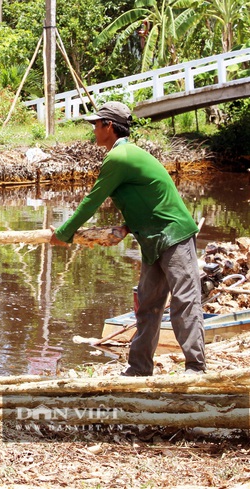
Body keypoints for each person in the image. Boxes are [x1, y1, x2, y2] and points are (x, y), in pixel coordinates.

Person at [50, 101, 206, 376]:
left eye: (96, 125)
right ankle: (139, 368)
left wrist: (64, 234)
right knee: (148, 305)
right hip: (151, 239)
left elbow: (92, 201)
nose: (93, 130)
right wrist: (126, 227)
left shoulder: (119, 157)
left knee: (184, 301)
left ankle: (195, 367)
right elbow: (146, 199)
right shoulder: (123, 156)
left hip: (174, 235)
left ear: (108, 126)